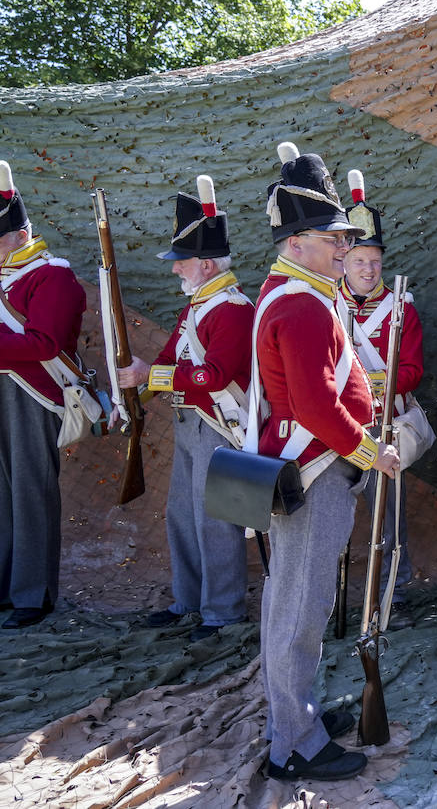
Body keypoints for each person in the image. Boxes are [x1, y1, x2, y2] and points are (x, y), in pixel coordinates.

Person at [253, 142, 400, 781]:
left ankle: (298, 715)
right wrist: (371, 450)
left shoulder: (297, 292)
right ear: (296, 243)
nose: (343, 247)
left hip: (306, 465)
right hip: (312, 469)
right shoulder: (303, 303)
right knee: (299, 608)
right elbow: (315, 405)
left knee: (295, 602)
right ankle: (293, 743)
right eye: (330, 237)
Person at [116, 180, 253, 642]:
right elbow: (172, 358)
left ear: (207, 264)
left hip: (219, 425)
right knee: (182, 514)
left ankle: (222, 611)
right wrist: (137, 391)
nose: (177, 270)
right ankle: (189, 600)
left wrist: (148, 379)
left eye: (183, 261)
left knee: (215, 520)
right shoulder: (198, 306)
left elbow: (212, 376)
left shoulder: (232, 309)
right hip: (190, 423)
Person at [0, 160, 86, 629]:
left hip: (33, 393)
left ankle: (34, 594)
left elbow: (44, 344)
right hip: (3, 385)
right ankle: (4, 584)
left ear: (20, 234)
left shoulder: (52, 275)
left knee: (31, 490)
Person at [340, 171, 425, 630]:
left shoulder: (400, 308)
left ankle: (396, 594)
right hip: (334, 427)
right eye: (358, 260)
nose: (368, 269)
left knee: (389, 520)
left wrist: (373, 383)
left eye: (374, 260)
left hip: (383, 426)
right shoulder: (326, 304)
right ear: (344, 261)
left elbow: (413, 371)